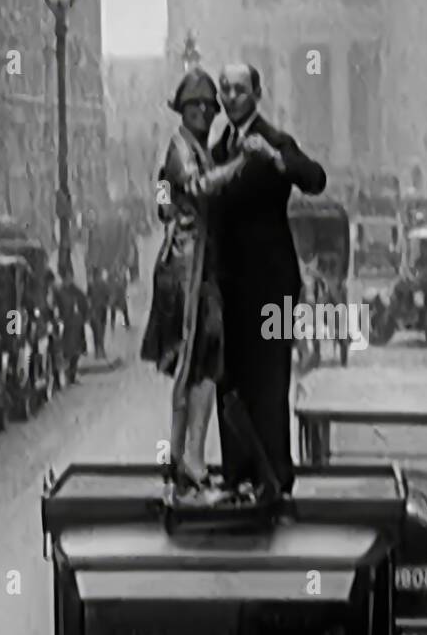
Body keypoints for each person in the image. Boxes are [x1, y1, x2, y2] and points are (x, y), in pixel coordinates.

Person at [211, 61, 327, 499]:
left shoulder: (275, 140)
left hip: (273, 287)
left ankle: (275, 478)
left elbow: (315, 178)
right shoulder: (218, 148)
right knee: (231, 382)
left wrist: (276, 160)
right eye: (226, 89)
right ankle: (238, 476)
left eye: (240, 88)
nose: (231, 96)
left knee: (270, 380)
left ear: (257, 94)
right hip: (230, 288)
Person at [140, 67, 249, 495]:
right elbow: (198, 186)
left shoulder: (196, 147)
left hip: (201, 264)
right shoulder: (181, 148)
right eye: (195, 105)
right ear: (182, 110)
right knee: (194, 360)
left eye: (208, 106)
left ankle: (188, 458)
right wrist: (240, 165)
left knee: (205, 362)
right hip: (187, 267)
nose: (203, 111)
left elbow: (164, 197)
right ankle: (186, 458)